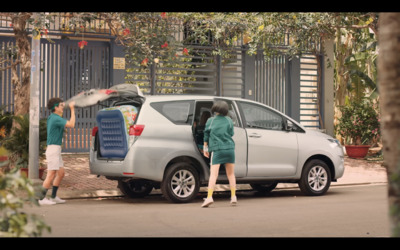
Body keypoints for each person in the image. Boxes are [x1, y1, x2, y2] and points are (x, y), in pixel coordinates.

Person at [38, 98, 75, 205]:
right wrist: (72, 109)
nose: (63, 107)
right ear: (55, 107)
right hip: (53, 149)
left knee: (61, 173)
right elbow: (71, 124)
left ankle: (53, 197)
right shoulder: (55, 118)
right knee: (51, 174)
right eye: (61, 105)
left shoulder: (54, 117)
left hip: (56, 149)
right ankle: (41, 199)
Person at [202, 101, 236, 207]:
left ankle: (209, 197)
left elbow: (206, 134)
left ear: (215, 109)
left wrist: (205, 148)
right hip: (230, 149)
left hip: (217, 149)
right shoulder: (229, 120)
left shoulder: (210, 121)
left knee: (213, 175)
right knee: (230, 174)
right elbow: (231, 133)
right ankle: (233, 197)